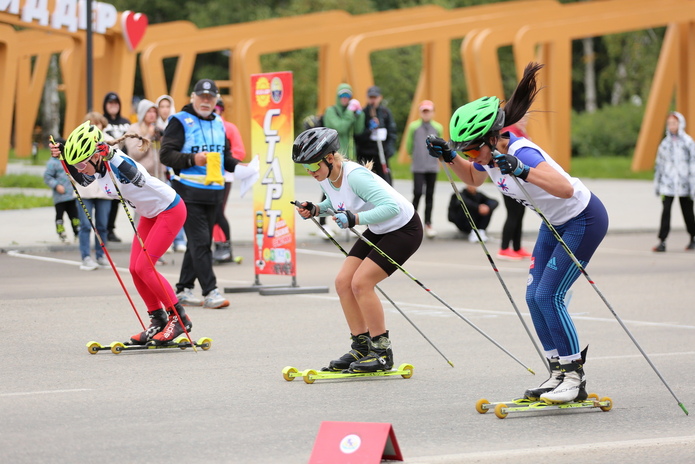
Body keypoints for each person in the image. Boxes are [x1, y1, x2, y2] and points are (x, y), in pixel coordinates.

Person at [427, 62, 609, 404]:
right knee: (532, 297)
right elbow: (473, 178)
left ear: (493, 138)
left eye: (471, 149)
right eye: (465, 150)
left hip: (583, 219)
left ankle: (574, 377)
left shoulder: (521, 151)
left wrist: (523, 170)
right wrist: (450, 157)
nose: (472, 156)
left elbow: (565, 189)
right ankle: (556, 372)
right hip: (554, 224)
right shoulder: (488, 154)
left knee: (548, 297)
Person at [293, 127, 423, 373]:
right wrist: (316, 208)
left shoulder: (356, 177)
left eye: (312, 166)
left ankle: (382, 352)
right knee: (343, 282)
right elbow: (336, 202)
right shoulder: (329, 176)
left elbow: (392, 208)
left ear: (330, 158)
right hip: (379, 227)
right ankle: (361, 346)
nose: (310, 173)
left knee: (361, 283)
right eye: (305, 169)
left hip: (404, 229)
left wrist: (355, 219)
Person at [55, 121, 191, 345]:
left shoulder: (119, 161)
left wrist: (112, 155)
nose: (80, 169)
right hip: (149, 214)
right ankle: (157, 320)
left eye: (81, 163)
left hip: (170, 210)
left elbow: (138, 180)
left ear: (96, 156)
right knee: (134, 269)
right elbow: (83, 179)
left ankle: (179, 318)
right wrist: (64, 159)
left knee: (145, 267)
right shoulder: (97, 170)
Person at [160, 78, 238, 309]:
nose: (206, 101)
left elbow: (226, 156)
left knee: (199, 243)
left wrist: (243, 168)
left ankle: (183, 289)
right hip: (188, 192)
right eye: (202, 97)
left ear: (215, 100)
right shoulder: (179, 121)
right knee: (201, 242)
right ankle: (210, 291)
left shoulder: (219, 122)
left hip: (214, 192)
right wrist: (193, 159)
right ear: (193, 97)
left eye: (210, 97)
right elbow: (166, 155)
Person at [319, 83, 365, 237]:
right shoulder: (331, 111)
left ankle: (346, 222)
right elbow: (340, 127)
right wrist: (351, 114)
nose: (345, 99)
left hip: (348, 155)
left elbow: (359, 130)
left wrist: (360, 114)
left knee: (347, 189)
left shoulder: (349, 112)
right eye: (342, 96)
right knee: (328, 188)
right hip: (332, 155)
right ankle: (323, 224)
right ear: (338, 97)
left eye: (347, 96)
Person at [71, 112, 113, 271]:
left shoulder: (108, 140)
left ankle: (102, 256)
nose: (96, 127)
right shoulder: (78, 140)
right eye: (91, 124)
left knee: (102, 225)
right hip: (84, 191)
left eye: (98, 124)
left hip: (103, 192)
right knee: (85, 225)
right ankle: (86, 257)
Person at [652, 111, 695, 252]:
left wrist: (693, 184)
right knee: (666, 211)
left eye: (674, 123)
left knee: (688, 212)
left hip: (685, 185)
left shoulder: (688, 142)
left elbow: (693, 163)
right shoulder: (665, 144)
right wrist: (657, 184)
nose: (672, 126)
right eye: (669, 123)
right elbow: (659, 165)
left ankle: (693, 238)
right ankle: (662, 240)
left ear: (680, 124)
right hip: (668, 184)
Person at [212, 98, 246, 263]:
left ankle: (225, 247)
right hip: (207, 175)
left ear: (222, 110)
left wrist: (224, 160)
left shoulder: (229, 128)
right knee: (210, 213)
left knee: (218, 212)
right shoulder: (205, 126)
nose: (215, 111)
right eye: (213, 108)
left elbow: (239, 151)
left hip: (224, 175)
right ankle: (217, 246)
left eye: (218, 108)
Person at [405, 100, 444, 238]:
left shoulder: (437, 127)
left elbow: (441, 144)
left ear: (433, 112)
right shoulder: (413, 127)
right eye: (424, 111)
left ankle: (428, 222)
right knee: (417, 192)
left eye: (428, 111)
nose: (426, 114)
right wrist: (413, 155)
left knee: (430, 194)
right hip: (418, 165)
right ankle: (410, 220)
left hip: (432, 166)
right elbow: (409, 144)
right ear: (420, 112)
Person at [498, 114, 532, 260]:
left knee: (519, 214)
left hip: (520, 181)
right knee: (512, 214)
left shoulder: (522, 133)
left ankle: (517, 247)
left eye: (526, 117)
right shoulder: (508, 133)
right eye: (521, 117)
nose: (524, 120)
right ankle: (504, 248)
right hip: (508, 181)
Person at [157, 95, 187, 253]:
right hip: (157, 174)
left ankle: (179, 239)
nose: (165, 110)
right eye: (161, 107)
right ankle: (165, 241)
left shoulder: (176, 124)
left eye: (167, 106)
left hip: (174, 172)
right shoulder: (153, 127)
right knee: (162, 210)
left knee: (177, 206)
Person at [102, 92, 131, 243]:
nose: (113, 105)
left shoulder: (126, 122)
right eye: (110, 103)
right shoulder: (102, 122)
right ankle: (103, 227)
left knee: (117, 198)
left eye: (115, 103)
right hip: (106, 165)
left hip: (121, 163)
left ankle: (110, 228)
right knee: (106, 196)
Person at [354, 86, 397, 184]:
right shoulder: (362, 113)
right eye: (371, 97)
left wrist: (389, 149)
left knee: (386, 181)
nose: (373, 100)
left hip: (381, 153)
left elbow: (392, 132)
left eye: (375, 97)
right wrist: (369, 129)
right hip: (366, 154)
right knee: (365, 182)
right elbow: (358, 136)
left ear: (380, 98)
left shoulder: (385, 113)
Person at [43, 145, 80, 243]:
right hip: (59, 196)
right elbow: (47, 177)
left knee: (74, 215)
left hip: (71, 194)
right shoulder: (52, 163)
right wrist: (56, 185)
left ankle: (77, 232)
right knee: (59, 216)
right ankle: (61, 233)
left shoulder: (68, 160)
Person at [125, 99, 165, 180]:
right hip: (142, 176)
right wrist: (148, 135)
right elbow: (135, 153)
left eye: (154, 112)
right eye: (149, 111)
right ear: (142, 113)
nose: (152, 114)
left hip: (159, 176)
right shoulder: (134, 129)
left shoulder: (158, 129)